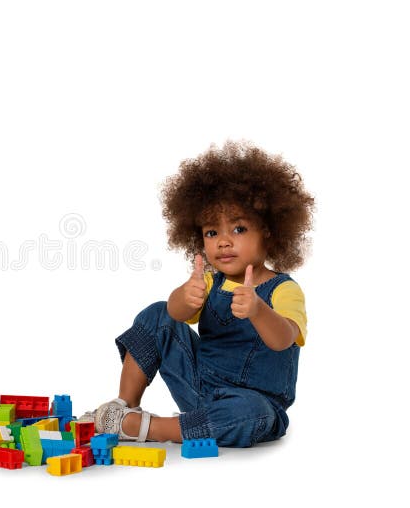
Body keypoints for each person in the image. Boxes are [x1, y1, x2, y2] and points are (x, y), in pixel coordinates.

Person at [83, 141, 314, 447]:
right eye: (211, 232)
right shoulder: (208, 281)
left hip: (250, 402)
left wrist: (259, 310)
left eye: (239, 229)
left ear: (269, 231)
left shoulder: (284, 289)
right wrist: (184, 296)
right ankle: (123, 409)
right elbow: (175, 316)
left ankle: (154, 428)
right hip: (197, 386)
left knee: (252, 414)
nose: (223, 242)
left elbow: (284, 338)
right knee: (158, 312)